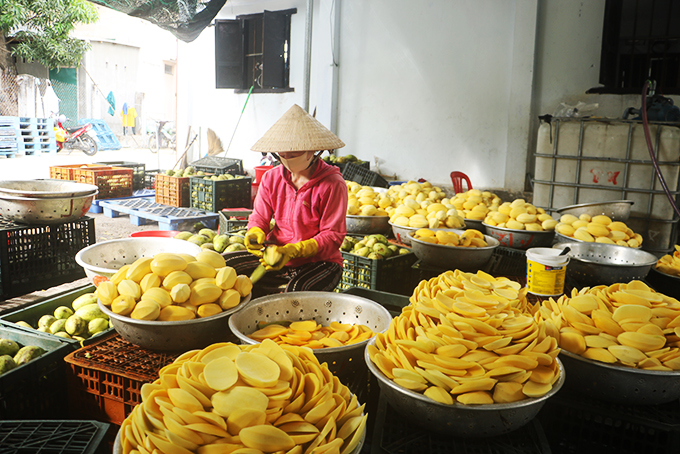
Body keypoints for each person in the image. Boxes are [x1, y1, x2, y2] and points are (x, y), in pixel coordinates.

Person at [223, 104, 348, 297]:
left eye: (294, 155)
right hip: (276, 255)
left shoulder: (332, 184)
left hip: (319, 262)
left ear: (312, 151)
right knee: (224, 267)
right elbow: (260, 217)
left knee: (294, 295)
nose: (287, 159)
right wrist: (255, 232)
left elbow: (332, 236)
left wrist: (297, 249)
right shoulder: (272, 178)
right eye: (282, 155)